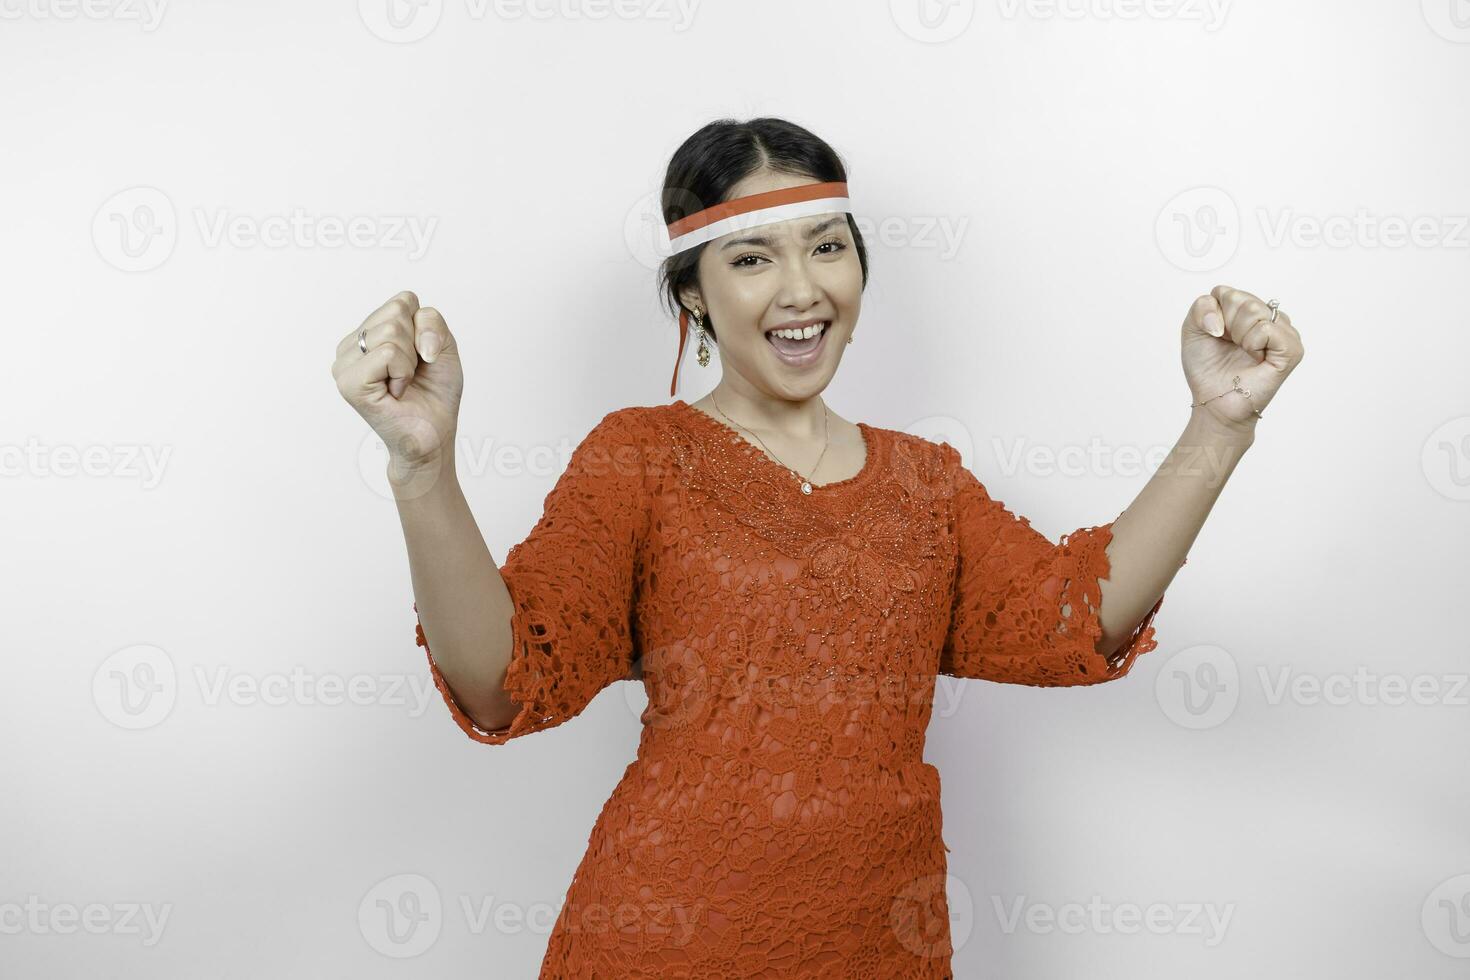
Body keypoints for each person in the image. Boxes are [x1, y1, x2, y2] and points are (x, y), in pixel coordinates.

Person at [330, 116, 1304, 977]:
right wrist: (424, 470)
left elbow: (1071, 622)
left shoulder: (926, 482)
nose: (802, 289)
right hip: (669, 944)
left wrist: (1216, 426)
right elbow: (508, 676)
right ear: (696, 295)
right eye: (751, 257)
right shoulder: (642, 456)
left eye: (826, 247)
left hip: (883, 943)